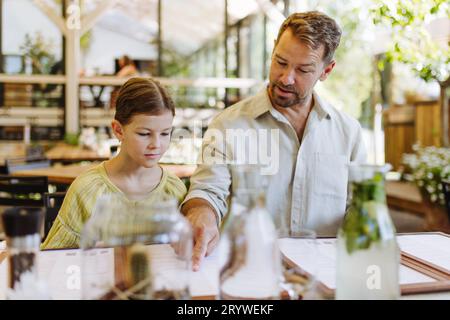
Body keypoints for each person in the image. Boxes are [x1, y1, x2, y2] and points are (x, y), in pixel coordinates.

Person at [181, 11, 367, 271]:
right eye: (280, 62)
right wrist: (201, 214)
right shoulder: (227, 125)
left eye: (303, 70)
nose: (286, 78)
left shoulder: (349, 133)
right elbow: (207, 192)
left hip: (324, 276)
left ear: (326, 70)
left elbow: (360, 209)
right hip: (249, 271)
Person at [41, 77, 186, 249]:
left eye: (165, 134)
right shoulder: (87, 190)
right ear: (118, 130)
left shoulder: (174, 190)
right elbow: (53, 258)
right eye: (144, 134)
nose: (156, 144)